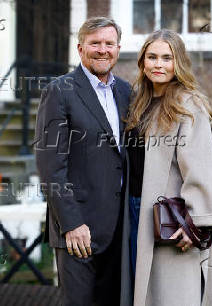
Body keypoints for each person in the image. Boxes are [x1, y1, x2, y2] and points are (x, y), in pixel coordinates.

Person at [120, 29, 212, 306]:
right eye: (152, 57)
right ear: (143, 61)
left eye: (167, 58)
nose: (158, 64)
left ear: (178, 62)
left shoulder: (187, 105)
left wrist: (196, 223)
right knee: (141, 293)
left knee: (172, 295)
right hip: (134, 214)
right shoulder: (138, 104)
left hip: (171, 220)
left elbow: (202, 167)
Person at [34, 17, 131, 305]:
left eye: (109, 43)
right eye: (95, 43)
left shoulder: (125, 91)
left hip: (119, 230)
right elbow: (51, 167)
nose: (102, 50)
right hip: (78, 231)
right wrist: (71, 223)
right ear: (80, 48)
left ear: (118, 48)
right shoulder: (59, 91)